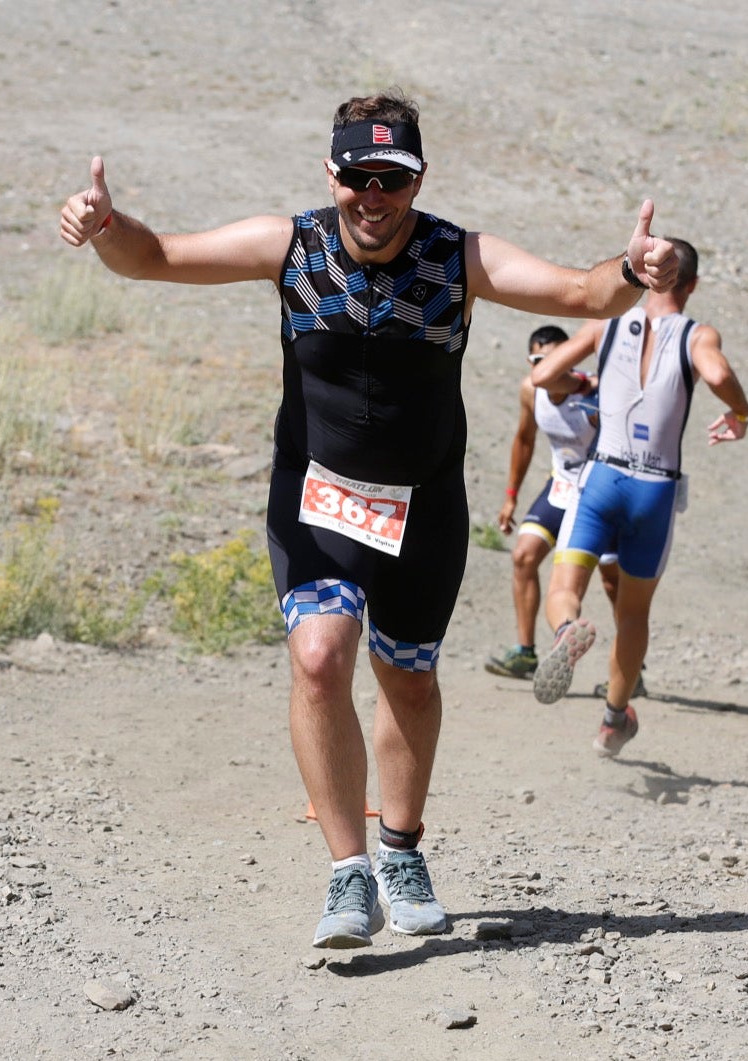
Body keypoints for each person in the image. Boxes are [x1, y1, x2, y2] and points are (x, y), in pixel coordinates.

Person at [60, 89, 678, 949]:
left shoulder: (457, 258)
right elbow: (155, 256)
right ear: (333, 172)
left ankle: (401, 849)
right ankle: (348, 873)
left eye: (393, 179)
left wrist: (630, 267)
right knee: (319, 658)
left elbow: (581, 290)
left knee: (409, 679)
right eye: (359, 177)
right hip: (315, 497)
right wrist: (105, 226)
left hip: (423, 510)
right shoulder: (291, 244)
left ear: (419, 181)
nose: (373, 198)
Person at [526, 237, 748, 757]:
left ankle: (565, 630)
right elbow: (717, 374)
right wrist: (741, 414)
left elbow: (542, 375)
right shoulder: (697, 334)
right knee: (633, 614)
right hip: (656, 489)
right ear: (691, 285)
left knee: (565, 584)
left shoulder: (606, 324)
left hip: (603, 477)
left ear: (650, 278)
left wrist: (586, 384)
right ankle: (612, 720)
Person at [485, 324, 645, 699]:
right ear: (532, 363)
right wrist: (511, 495)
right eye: (542, 362)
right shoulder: (531, 390)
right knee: (524, 556)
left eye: (560, 360)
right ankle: (525, 653)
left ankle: (631, 669)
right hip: (559, 488)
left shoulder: (592, 395)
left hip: (596, 494)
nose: (551, 370)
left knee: (611, 581)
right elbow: (524, 440)